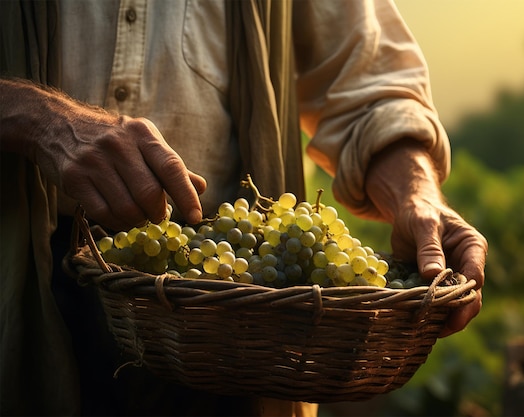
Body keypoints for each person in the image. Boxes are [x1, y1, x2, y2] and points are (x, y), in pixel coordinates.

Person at [0, 0, 488, 415]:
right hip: (20, 272)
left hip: (233, 304)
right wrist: (39, 117)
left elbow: (366, 84)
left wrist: (416, 194)